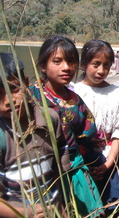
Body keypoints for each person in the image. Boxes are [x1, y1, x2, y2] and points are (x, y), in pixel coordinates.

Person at [30, 35, 103, 217]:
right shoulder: (31, 97)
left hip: (74, 170)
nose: (66, 67)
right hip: (41, 173)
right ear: (43, 66)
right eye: (57, 61)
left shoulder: (75, 99)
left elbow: (89, 134)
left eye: (71, 61)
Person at [0, 52, 70, 217]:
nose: (8, 100)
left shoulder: (50, 119)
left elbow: (58, 170)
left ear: (25, 83)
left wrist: (62, 206)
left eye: (14, 89)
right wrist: (25, 213)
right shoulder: (2, 136)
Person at [73, 40, 119, 208]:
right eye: (95, 64)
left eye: (106, 65)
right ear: (84, 64)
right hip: (80, 161)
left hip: (108, 156)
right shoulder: (74, 91)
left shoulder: (116, 93)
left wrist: (108, 163)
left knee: (110, 205)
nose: (101, 71)